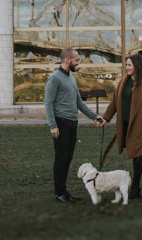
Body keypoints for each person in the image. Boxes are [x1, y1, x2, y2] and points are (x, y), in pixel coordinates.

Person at [44, 47, 105, 203]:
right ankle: (59, 192)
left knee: (68, 158)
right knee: (61, 158)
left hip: (73, 124)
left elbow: (79, 102)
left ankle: (64, 191)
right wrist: (52, 125)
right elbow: (48, 103)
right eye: (76, 59)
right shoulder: (54, 79)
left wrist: (94, 117)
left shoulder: (72, 78)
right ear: (67, 60)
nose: (78, 62)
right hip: (61, 123)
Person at [101, 53, 142, 199]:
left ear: (137, 66)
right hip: (125, 125)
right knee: (139, 155)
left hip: (138, 127)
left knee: (137, 156)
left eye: (130, 65)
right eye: (126, 64)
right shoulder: (122, 82)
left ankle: (136, 188)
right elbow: (114, 103)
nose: (127, 67)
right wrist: (105, 118)